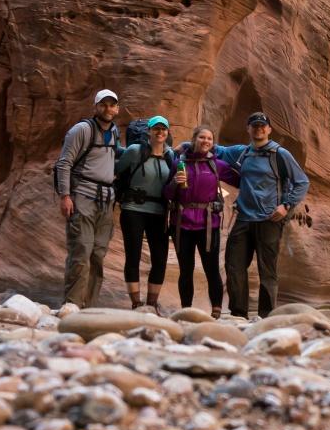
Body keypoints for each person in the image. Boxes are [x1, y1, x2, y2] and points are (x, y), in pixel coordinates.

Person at [217, 112, 310, 318]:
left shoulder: (280, 154)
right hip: (243, 219)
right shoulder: (242, 152)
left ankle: (266, 315)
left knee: (267, 270)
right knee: (234, 266)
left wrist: (286, 205)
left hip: (269, 220)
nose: (258, 128)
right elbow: (215, 150)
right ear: (248, 129)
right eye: (254, 125)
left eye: (262, 126)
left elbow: (302, 182)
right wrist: (185, 146)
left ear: (269, 130)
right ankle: (238, 314)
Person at [163, 125, 239, 319]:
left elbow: (241, 180)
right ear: (194, 139)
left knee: (211, 267)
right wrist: (174, 183)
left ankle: (216, 310)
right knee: (185, 269)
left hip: (208, 224)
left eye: (209, 139)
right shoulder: (179, 163)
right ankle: (186, 309)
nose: (206, 141)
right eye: (202, 138)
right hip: (182, 224)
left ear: (213, 143)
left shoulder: (216, 165)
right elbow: (167, 194)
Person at [54, 89, 121, 308]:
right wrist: (65, 195)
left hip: (106, 201)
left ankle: (89, 307)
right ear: (96, 106)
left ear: (117, 109)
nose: (108, 109)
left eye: (112, 105)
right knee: (81, 251)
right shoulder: (82, 130)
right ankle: (72, 304)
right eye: (104, 104)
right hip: (83, 196)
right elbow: (64, 163)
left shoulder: (114, 131)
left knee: (98, 255)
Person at [115, 115, 174, 314]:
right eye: (156, 128)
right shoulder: (135, 151)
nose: (160, 132)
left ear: (167, 132)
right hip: (133, 209)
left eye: (163, 129)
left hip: (159, 212)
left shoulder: (170, 156)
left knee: (160, 258)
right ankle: (136, 303)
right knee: (133, 256)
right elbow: (116, 170)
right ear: (148, 131)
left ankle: (152, 303)